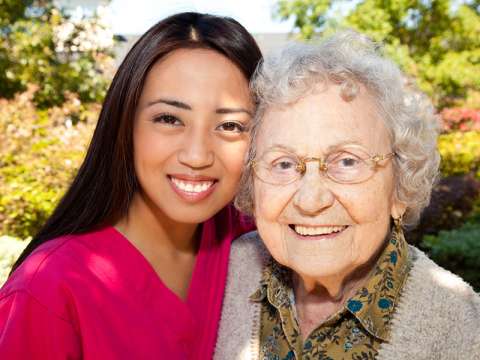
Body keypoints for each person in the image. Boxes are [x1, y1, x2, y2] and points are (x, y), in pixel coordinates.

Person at [0, 12, 261, 359]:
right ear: (125, 125)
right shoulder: (50, 289)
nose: (197, 156)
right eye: (169, 119)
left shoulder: (260, 244)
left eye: (230, 126)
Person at [215, 31, 480, 359]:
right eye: (284, 163)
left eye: (347, 161)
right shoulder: (221, 276)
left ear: (399, 187)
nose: (310, 200)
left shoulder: (464, 333)